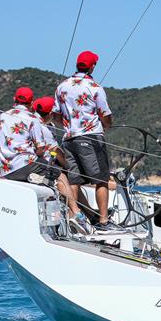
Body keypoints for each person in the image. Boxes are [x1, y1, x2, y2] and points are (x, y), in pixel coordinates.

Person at [53, 50, 119, 232]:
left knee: (74, 179)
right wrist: (105, 126)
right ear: (92, 66)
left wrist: (69, 125)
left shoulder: (62, 87)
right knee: (101, 180)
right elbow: (106, 116)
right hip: (90, 138)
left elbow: (56, 115)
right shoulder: (95, 88)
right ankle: (104, 222)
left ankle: (76, 217)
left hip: (69, 139)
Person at [31, 96, 93, 234]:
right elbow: (55, 150)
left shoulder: (42, 123)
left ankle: (91, 215)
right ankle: (77, 214)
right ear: (51, 114)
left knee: (74, 178)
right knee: (71, 178)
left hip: (46, 162)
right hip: (45, 165)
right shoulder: (43, 127)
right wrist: (70, 166)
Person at [0, 87, 48, 182]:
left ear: (14, 99)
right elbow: (41, 149)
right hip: (25, 167)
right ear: (32, 102)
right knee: (55, 171)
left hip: (4, 170)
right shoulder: (32, 119)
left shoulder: (1, 116)